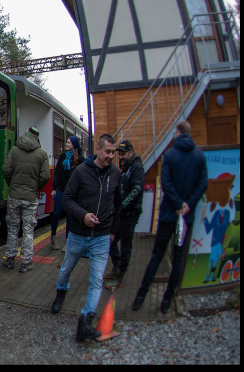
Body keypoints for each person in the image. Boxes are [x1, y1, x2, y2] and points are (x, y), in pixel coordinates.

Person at [49, 133, 121, 343]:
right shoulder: (81, 172)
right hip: (78, 235)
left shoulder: (115, 173)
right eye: (107, 152)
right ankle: (60, 294)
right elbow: (68, 200)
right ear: (97, 150)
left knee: (96, 280)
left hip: (101, 237)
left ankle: (85, 322)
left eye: (113, 153)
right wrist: (83, 215)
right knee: (66, 270)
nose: (111, 156)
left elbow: (118, 205)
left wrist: (113, 231)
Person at [132, 121, 207, 314]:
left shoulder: (170, 155)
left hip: (168, 214)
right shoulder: (199, 156)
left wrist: (176, 204)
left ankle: (140, 297)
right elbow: (202, 184)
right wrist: (187, 205)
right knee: (179, 259)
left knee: (157, 256)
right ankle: (166, 301)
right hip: (186, 217)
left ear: (178, 132)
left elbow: (166, 182)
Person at [2, 126, 50, 273]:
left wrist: (12, 184)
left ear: (25, 135)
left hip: (14, 196)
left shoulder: (14, 150)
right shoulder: (42, 154)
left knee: (12, 228)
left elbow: (6, 169)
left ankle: (10, 259)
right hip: (30, 198)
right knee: (28, 230)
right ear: (37, 138)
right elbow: (46, 176)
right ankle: (26, 263)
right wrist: (35, 187)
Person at [104, 140, 144, 288]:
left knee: (126, 246)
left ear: (131, 153)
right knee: (110, 241)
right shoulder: (123, 166)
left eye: (123, 154)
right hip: (120, 214)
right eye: (119, 154)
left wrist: (121, 206)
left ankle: (121, 275)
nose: (120, 156)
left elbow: (136, 190)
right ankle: (117, 264)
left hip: (130, 215)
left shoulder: (137, 167)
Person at [50, 136, 85, 250]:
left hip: (72, 192)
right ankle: (53, 237)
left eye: (69, 143)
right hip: (61, 189)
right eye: (67, 142)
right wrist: (54, 188)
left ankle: (67, 242)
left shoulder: (80, 160)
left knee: (70, 217)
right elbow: (57, 173)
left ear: (74, 145)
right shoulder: (62, 157)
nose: (66, 144)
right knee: (56, 214)